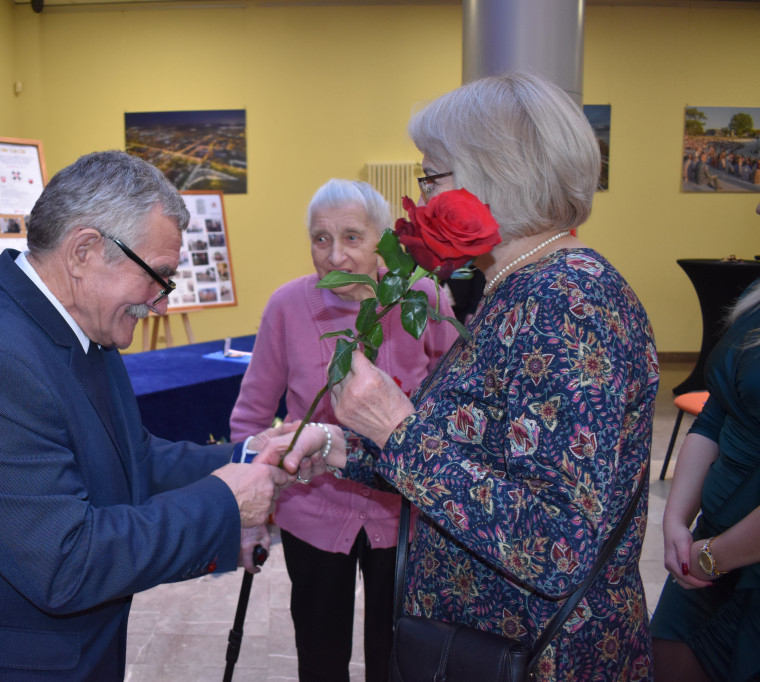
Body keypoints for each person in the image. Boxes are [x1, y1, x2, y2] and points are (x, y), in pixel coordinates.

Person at [0, 150, 294, 680]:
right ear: (85, 250)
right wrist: (225, 502)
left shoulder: (77, 326)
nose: (162, 304)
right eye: (159, 277)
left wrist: (250, 456)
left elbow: (133, 460)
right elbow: (65, 562)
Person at [265, 73, 658, 680]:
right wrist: (340, 446)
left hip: (539, 656)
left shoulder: (568, 302)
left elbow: (556, 545)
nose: (420, 203)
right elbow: (469, 449)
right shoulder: (521, 287)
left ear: (491, 175)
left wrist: (397, 427)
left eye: (432, 177)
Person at [229, 178, 458, 682]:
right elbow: (250, 418)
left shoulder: (422, 298)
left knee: (396, 657)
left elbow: (456, 408)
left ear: (384, 240)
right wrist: (249, 514)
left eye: (352, 237)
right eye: (320, 238)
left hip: (404, 515)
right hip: (311, 510)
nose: (335, 256)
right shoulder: (287, 307)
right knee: (320, 656)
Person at [651, 259, 760, 679]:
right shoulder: (755, 292)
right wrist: (676, 520)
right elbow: (717, 413)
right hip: (710, 549)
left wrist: (715, 557)